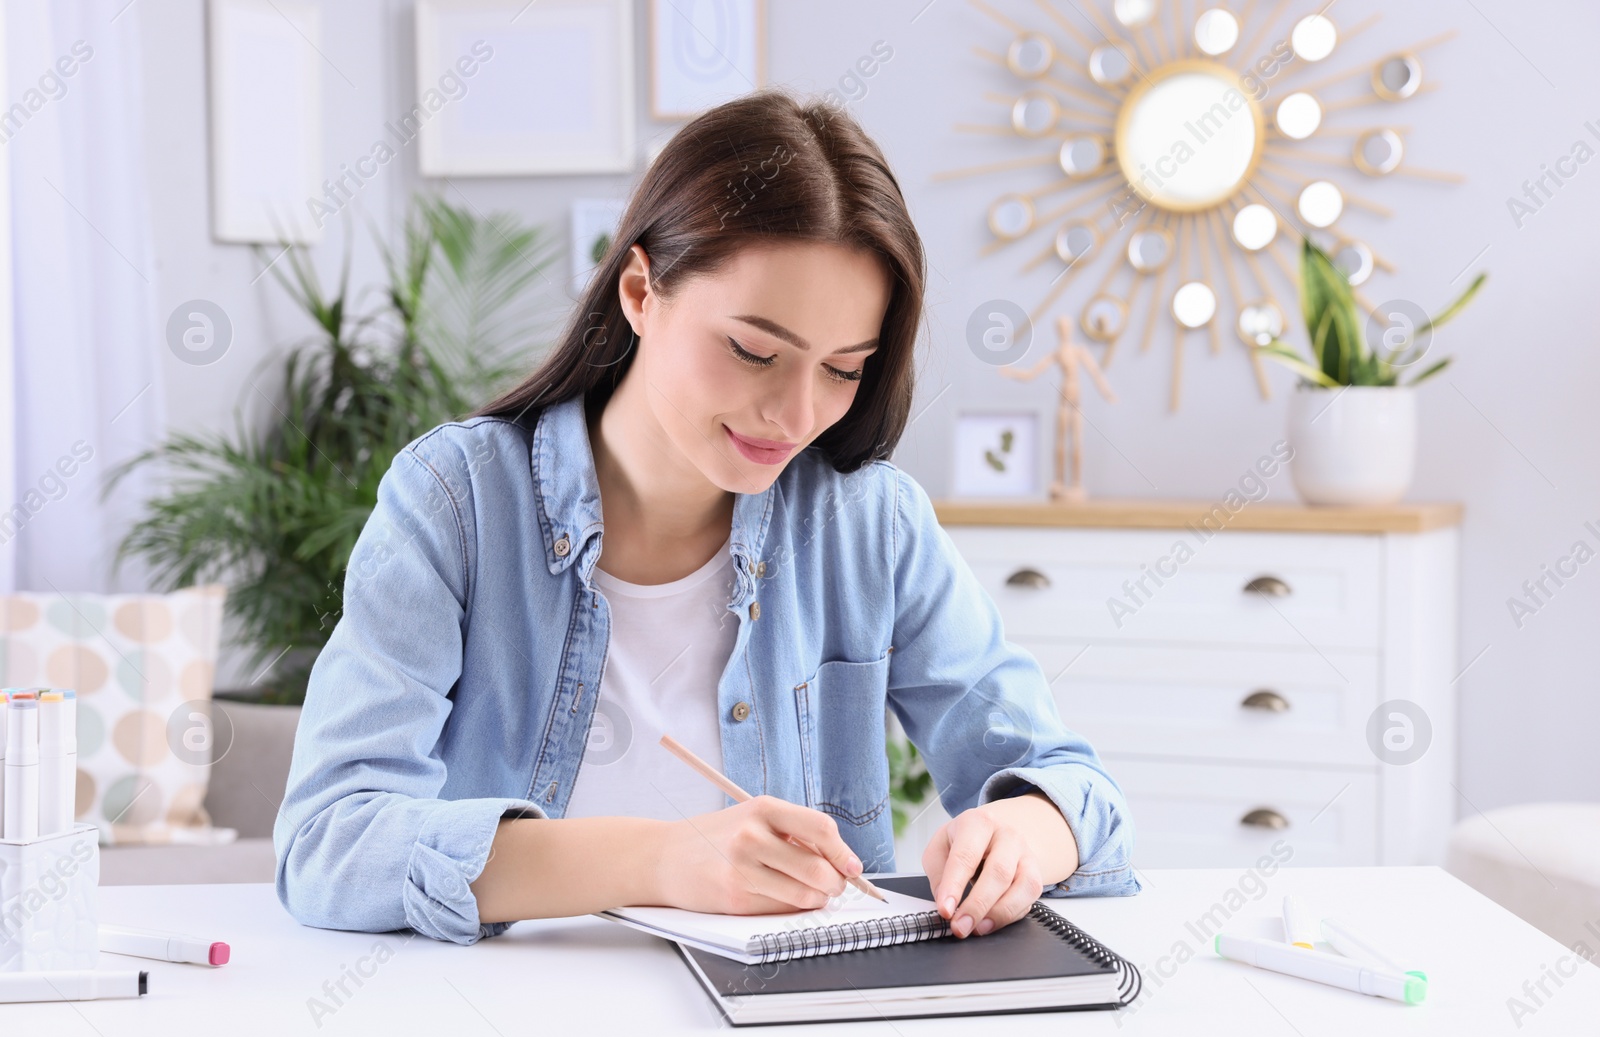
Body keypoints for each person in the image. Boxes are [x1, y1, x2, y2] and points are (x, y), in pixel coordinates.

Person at [273, 88, 1139, 949]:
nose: (795, 414)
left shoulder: (869, 527)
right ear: (642, 290)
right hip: (512, 1022)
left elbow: (1077, 791)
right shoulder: (457, 502)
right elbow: (330, 842)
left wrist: (1026, 834)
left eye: (843, 369)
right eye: (754, 351)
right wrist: (663, 859)